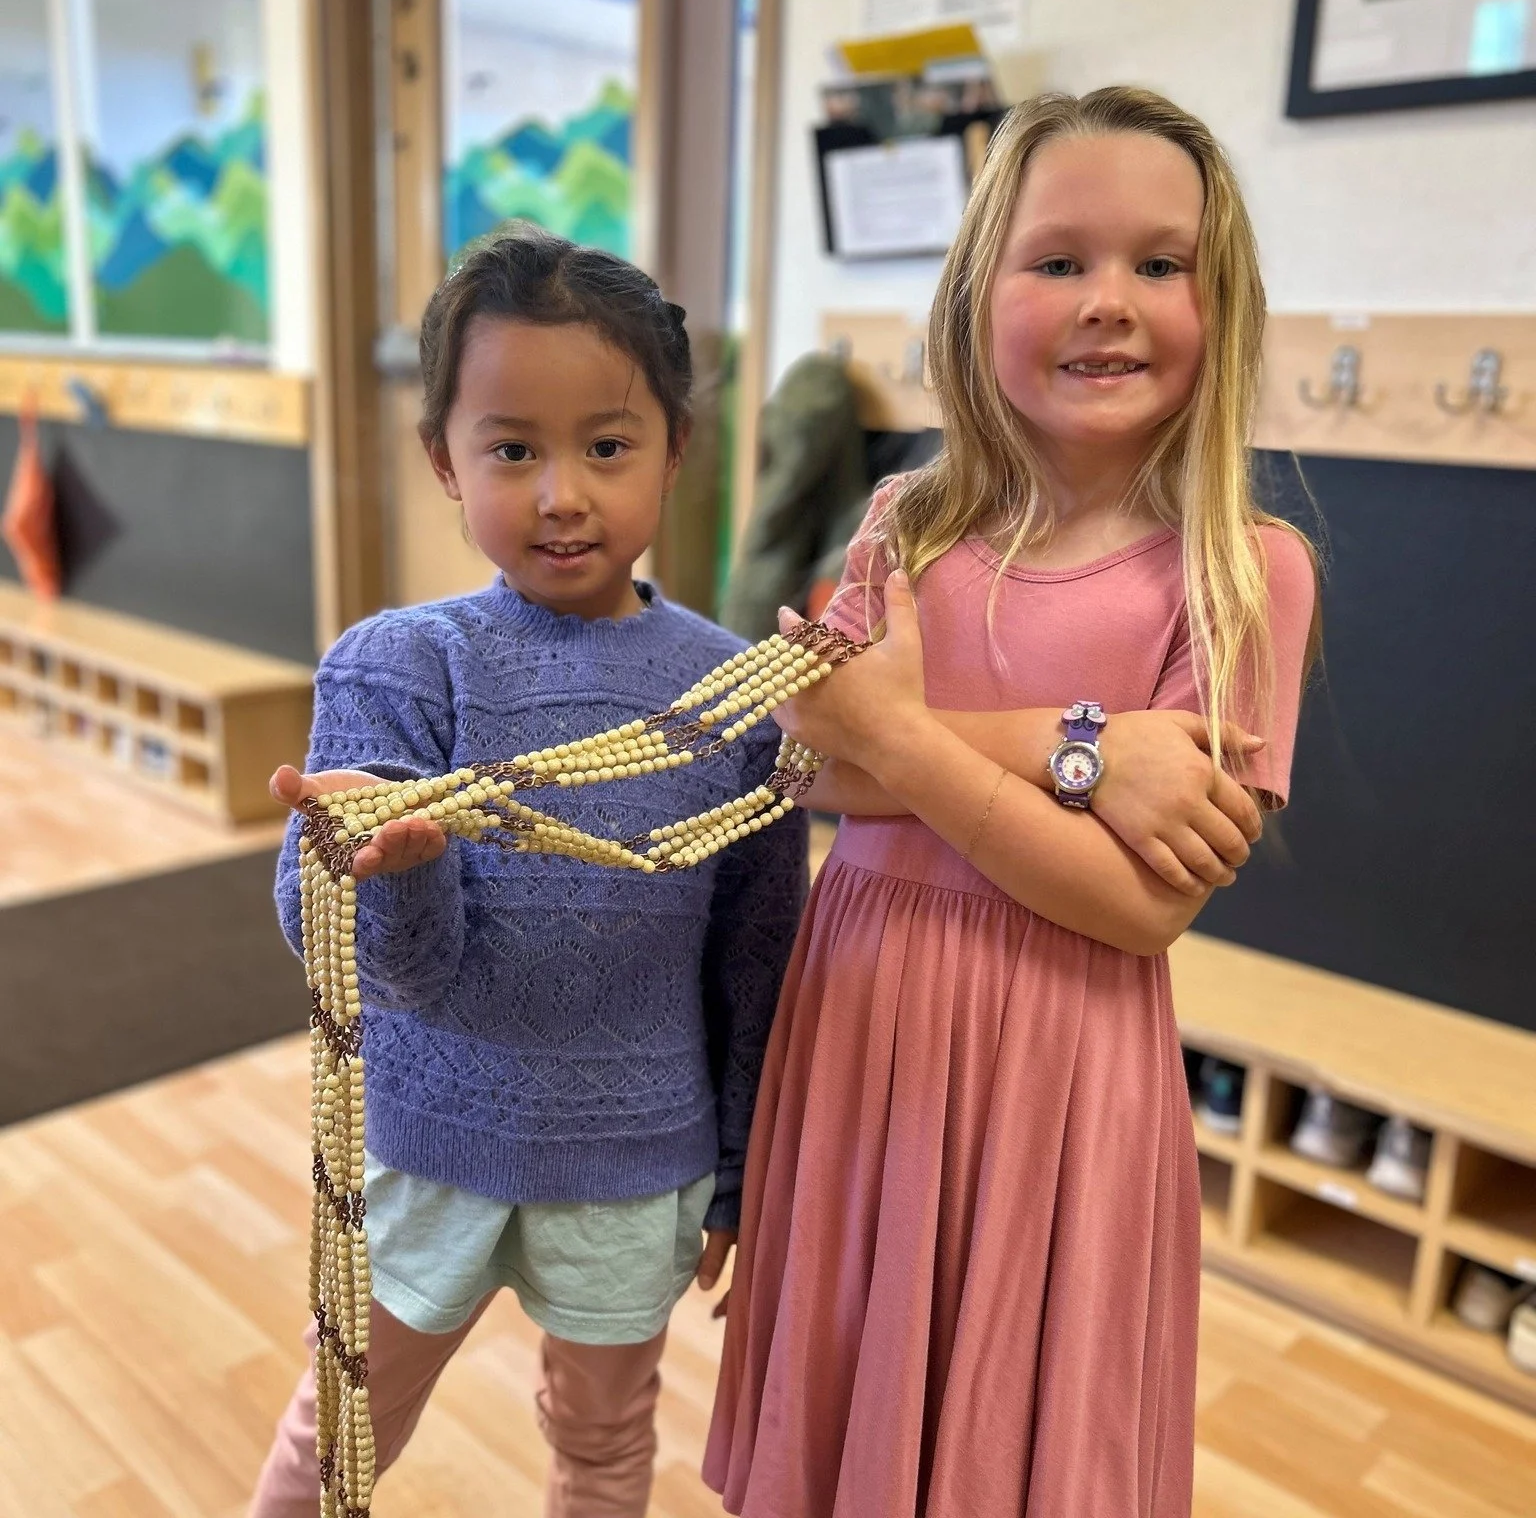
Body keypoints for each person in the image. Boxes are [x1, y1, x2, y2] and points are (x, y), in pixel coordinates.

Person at [705, 87, 1319, 1517]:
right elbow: (811, 760)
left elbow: (1138, 906)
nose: (1110, 300)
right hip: (859, 1025)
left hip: (1058, 1065)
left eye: (1159, 264)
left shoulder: (1245, 571)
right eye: (1059, 261)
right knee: (846, 1428)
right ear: (978, 295)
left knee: (1010, 1450)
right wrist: (1078, 747)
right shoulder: (907, 523)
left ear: (1220, 303)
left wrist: (903, 742)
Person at [248, 223, 808, 1518]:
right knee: (339, 1434)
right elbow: (372, 963)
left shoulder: (737, 695)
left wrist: (742, 1164)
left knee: (604, 1445)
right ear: (445, 460)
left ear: (676, 448)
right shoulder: (398, 665)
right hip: (430, 1143)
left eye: (607, 447)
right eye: (513, 450)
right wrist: (391, 865)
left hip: (638, 1155)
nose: (562, 494)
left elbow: (761, 953)